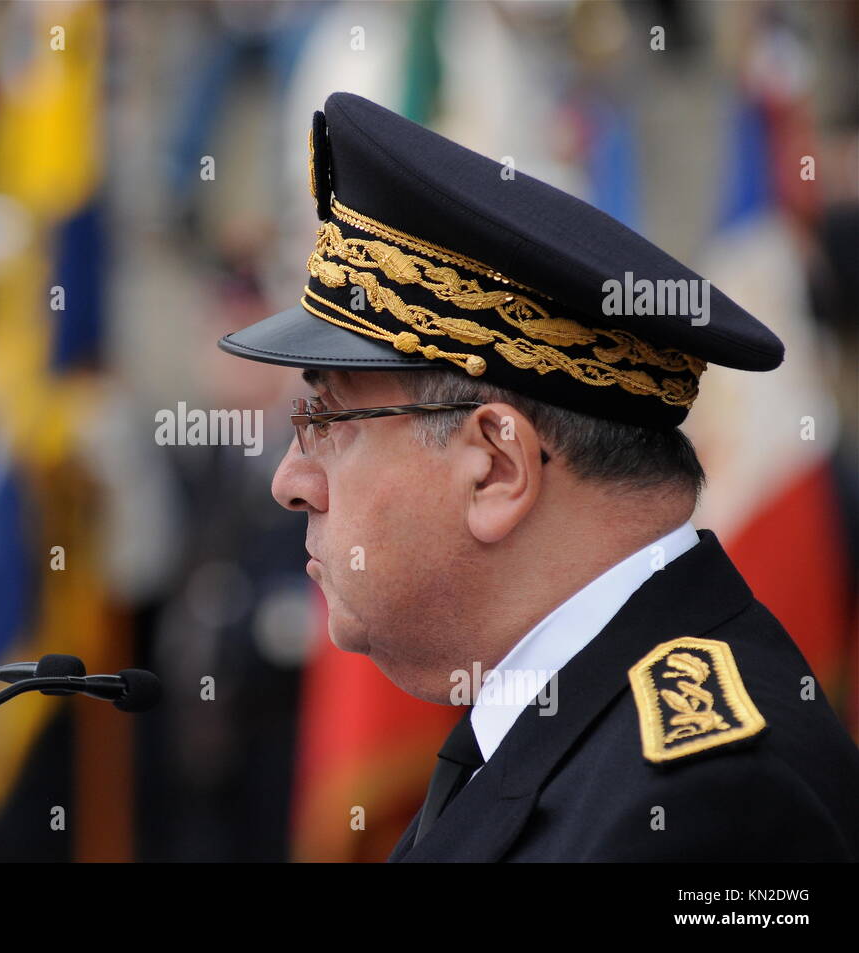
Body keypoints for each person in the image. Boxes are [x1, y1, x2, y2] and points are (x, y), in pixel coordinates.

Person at [216, 92, 859, 861]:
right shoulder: (562, 732)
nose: (291, 480)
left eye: (327, 423)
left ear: (495, 467)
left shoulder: (705, 801)